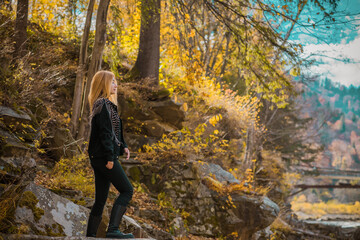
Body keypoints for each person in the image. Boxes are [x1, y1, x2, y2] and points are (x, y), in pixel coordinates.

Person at [86, 70, 134, 239]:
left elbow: (114, 132)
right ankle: (113, 230)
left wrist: (124, 147)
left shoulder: (103, 105)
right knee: (127, 190)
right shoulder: (104, 105)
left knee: (100, 199)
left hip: (98, 157)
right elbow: (105, 134)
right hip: (104, 157)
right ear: (104, 84)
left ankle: (90, 235)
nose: (116, 85)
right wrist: (110, 158)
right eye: (112, 81)